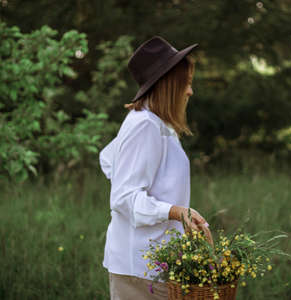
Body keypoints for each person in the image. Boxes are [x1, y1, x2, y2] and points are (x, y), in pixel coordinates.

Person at [99, 36, 211, 300]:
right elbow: (123, 197)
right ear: (169, 85)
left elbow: (108, 158)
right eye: (187, 83)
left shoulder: (157, 124)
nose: (190, 92)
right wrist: (173, 211)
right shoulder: (145, 125)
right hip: (139, 270)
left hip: (152, 263)